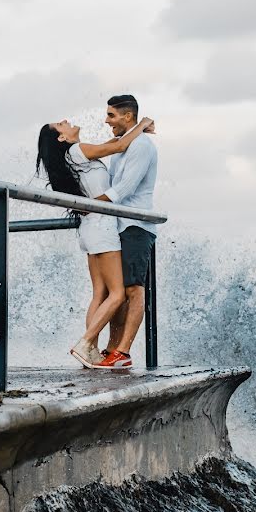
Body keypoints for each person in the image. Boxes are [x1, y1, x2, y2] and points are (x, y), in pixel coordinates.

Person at [36, 115, 155, 368]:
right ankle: (86, 343)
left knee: (99, 294)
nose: (66, 120)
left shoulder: (72, 157)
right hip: (102, 228)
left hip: (89, 229)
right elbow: (120, 146)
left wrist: (128, 131)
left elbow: (114, 142)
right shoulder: (78, 150)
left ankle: (89, 351)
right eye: (60, 124)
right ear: (61, 137)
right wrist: (142, 125)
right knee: (117, 293)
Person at [93, 95, 158, 369]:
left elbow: (124, 189)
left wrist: (89, 206)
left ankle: (124, 352)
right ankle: (111, 349)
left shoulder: (141, 146)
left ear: (127, 116)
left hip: (135, 225)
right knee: (116, 291)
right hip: (118, 225)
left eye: (111, 115)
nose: (107, 121)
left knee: (132, 289)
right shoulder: (125, 145)